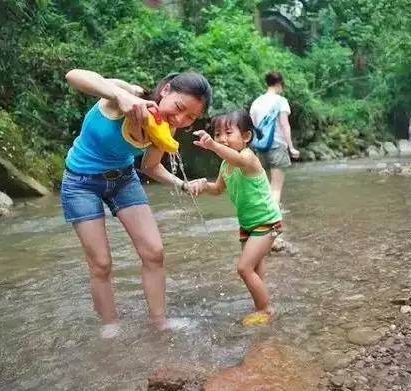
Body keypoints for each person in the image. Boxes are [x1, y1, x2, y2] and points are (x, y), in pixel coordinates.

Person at [62, 69, 211, 338]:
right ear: (165, 90)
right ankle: (110, 326)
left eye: (191, 117)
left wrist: (182, 184)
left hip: (124, 179)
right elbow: (74, 76)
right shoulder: (126, 93)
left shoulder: (168, 126)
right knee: (101, 263)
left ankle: (159, 322)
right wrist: (119, 94)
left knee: (154, 252)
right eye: (178, 107)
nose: (180, 118)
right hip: (80, 182)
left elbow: (151, 167)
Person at [193, 110, 282, 323]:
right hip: (248, 224)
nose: (222, 138)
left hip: (266, 221)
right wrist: (203, 185)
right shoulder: (225, 165)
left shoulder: (248, 157)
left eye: (228, 132)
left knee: (244, 268)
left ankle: (266, 310)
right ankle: (259, 305)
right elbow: (217, 189)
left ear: (246, 137)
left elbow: (239, 160)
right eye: (217, 134)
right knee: (255, 267)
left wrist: (214, 146)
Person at [249, 71, 299, 205]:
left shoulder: (256, 102)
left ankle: (263, 217)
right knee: (276, 189)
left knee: (264, 188)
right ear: (279, 84)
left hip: (260, 148)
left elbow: (253, 126)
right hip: (277, 146)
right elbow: (284, 125)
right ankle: (274, 218)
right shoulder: (281, 101)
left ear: (267, 83)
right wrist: (291, 147)